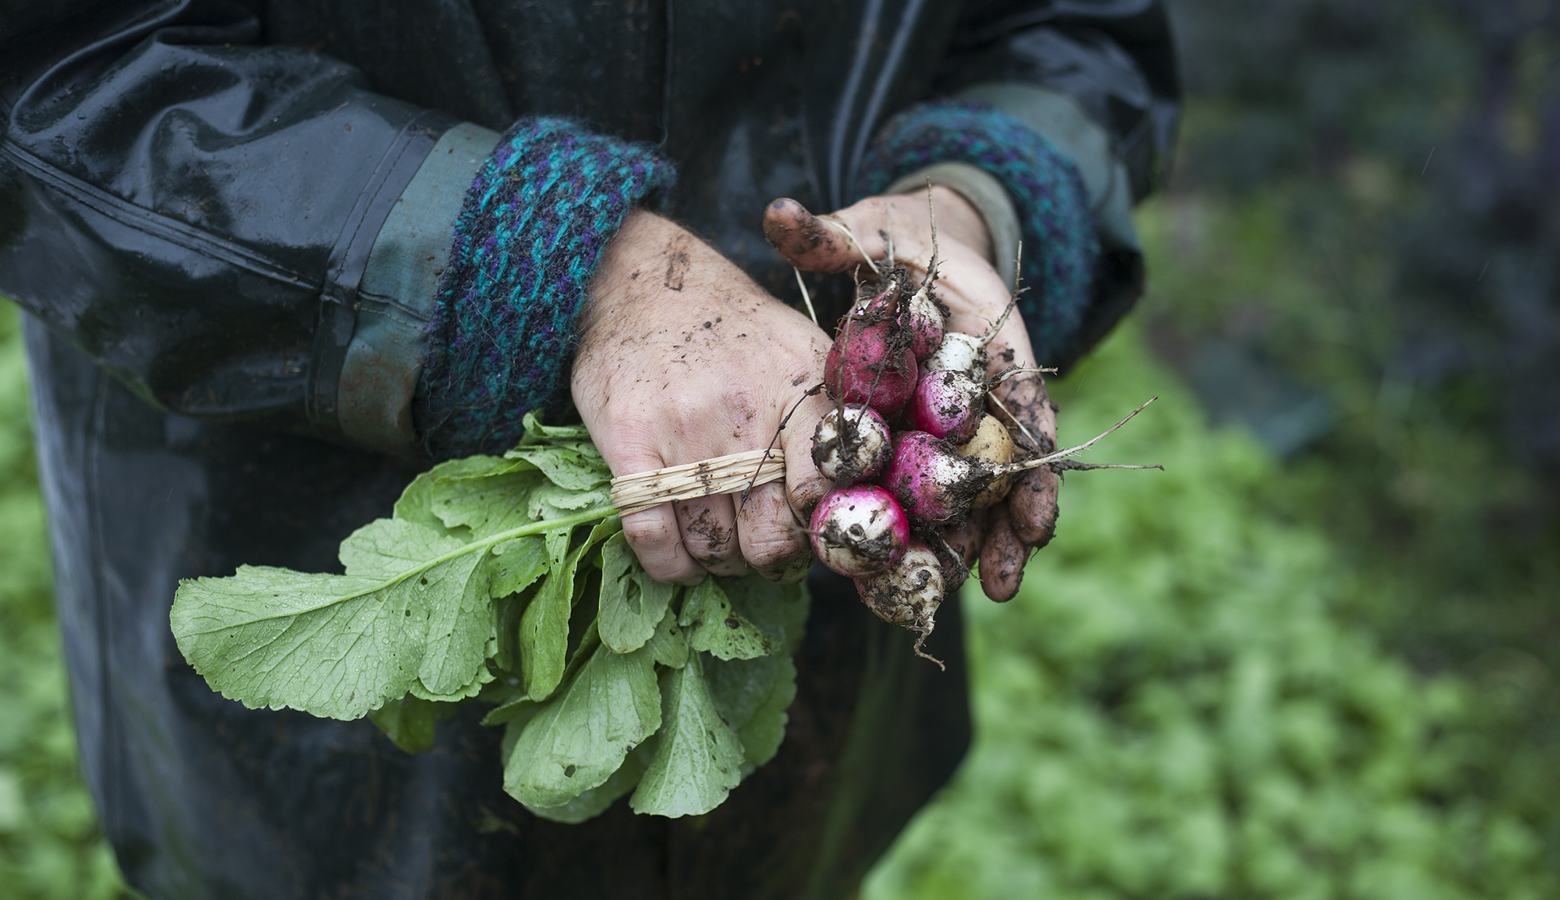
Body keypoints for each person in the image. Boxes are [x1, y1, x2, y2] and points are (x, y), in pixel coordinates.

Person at [0, 1, 1178, 897]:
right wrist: (541, 265)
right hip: (300, 517)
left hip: (826, 632)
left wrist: (977, 192)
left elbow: (1080, 31)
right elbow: (62, 70)